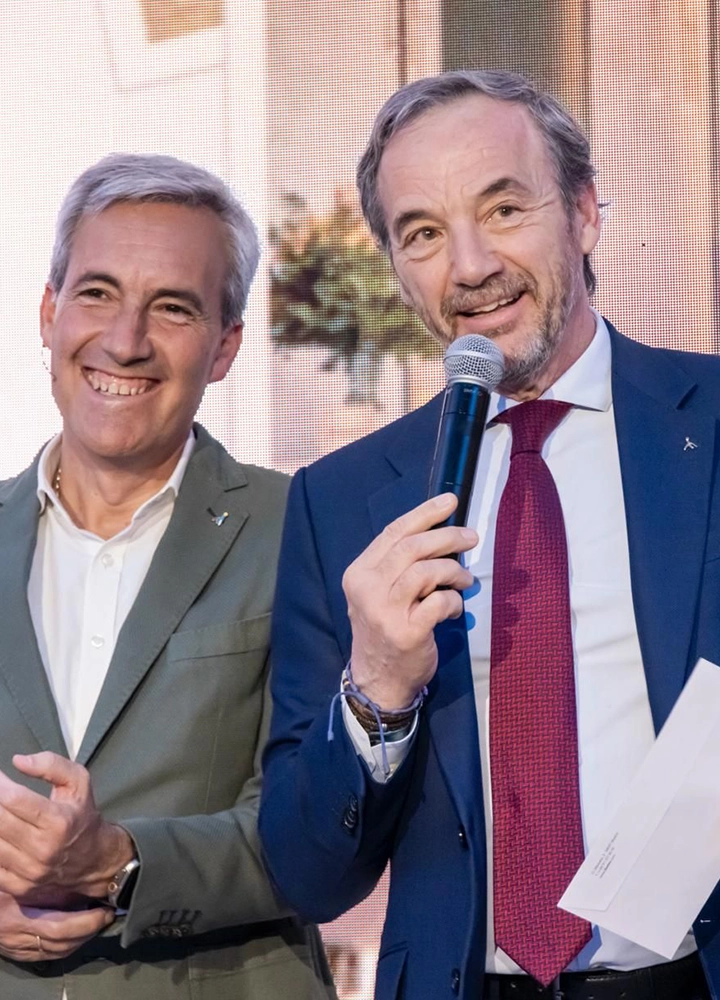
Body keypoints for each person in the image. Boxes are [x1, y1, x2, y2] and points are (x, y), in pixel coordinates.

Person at [259, 70, 720, 1000]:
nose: (469, 267)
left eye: (503, 209)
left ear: (585, 213)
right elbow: (308, 873)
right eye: (423, 233)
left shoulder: (709, 424)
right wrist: (377, 693)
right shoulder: (340, 502)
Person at [0, 153, 334, 999]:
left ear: (225, 348)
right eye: (97, 292)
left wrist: (121, 861)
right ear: (48, 313)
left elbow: (329, 828)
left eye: (173, 308)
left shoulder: (304, 528)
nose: (124, 340)